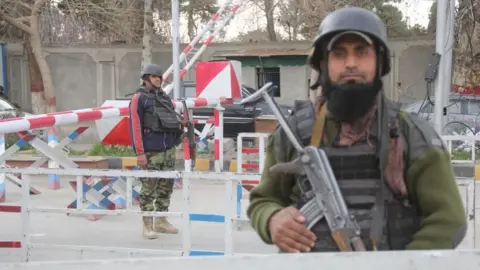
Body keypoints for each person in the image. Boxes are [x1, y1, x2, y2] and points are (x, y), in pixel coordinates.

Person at [247, 7, 467, 253]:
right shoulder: (293, 134)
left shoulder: (410, 134)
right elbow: (263, 200)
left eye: (362, 53)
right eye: (339, 54)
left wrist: (405, 265)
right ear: (324, 64)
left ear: (379, 62)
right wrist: (272, 219)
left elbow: (448, 220)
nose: (351, 64)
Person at [129, 63, 184, 239]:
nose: (158, 80)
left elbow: (169, 120)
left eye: (159, 77)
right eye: (154, 77)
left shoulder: (164, 98)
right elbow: (135, 126)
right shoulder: (139, 98)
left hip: (168, 150)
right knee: (148, 189)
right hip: (151, 151)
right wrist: (139, 153)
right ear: (146, 79)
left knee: (165, 188)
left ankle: (161, 221)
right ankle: (147, 225)